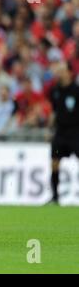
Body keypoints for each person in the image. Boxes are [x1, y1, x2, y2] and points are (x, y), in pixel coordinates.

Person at [48, 62, 79, 204]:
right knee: (54, 163)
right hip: (60, 132)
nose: (59, 73)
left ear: (69, 72)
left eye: (62, 70)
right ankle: (55, 197)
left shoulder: (76, 90)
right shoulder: (55, 90)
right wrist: (50, 128)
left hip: (75, 132)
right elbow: (54, 111)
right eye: (58, 70)